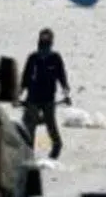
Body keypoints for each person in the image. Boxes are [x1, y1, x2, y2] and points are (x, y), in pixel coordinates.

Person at [20, 28, 71, 159]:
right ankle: (28, 153)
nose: (45, 43)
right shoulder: (33, 58)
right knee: (29, 126)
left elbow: (61, 75)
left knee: (50, 124)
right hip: (33, 97)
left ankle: (56, 148)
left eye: (47, 39)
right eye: (43, 38)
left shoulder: (55, 58)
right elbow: (25, 77)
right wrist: (19, 92)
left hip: (48, 98)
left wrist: (65, 89)